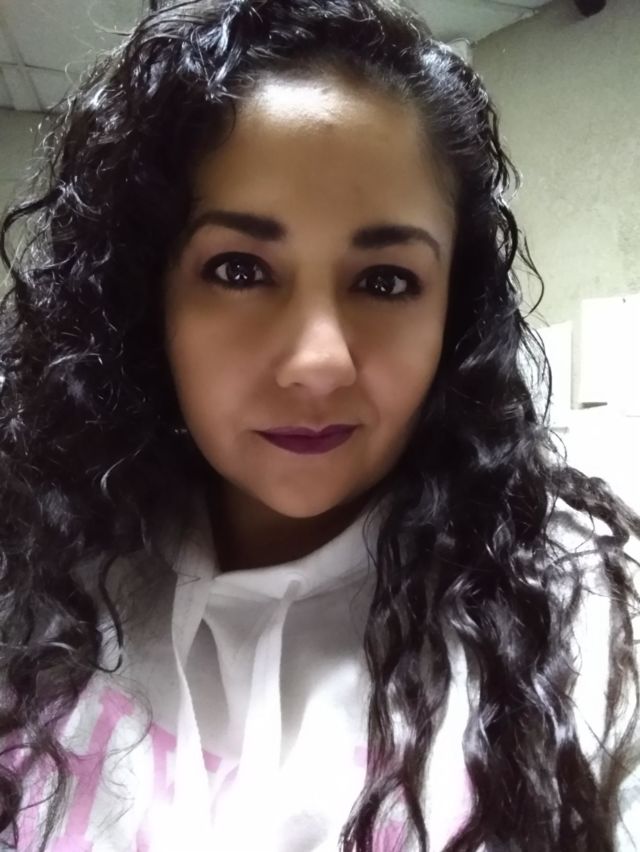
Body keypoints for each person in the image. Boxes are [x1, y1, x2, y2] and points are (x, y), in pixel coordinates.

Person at [0, 0, 638, 849]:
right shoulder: (37, 579)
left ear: (454, 316)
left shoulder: (581, 640)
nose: (317, 363)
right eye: (239, 269)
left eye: (385, 281)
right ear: (148, 301)